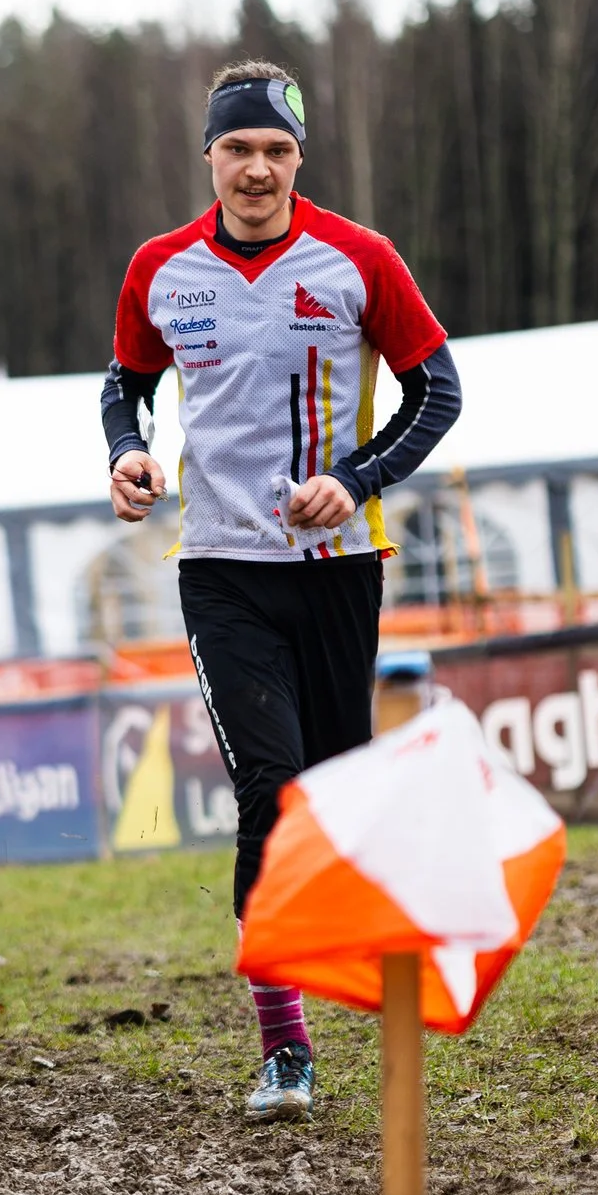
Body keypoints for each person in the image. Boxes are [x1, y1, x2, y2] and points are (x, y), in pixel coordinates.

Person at [101, 60, 460, 1123]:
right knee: (270, 782)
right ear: (208, 155)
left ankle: (359, 954)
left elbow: (437, 388)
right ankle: (284, 1046)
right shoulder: (160, 269)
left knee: (333, 790)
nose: (255, 168)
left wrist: (352, 482)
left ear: (299, 159)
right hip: (221, 571)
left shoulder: (359, 259)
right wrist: (130, 452)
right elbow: (127, 381)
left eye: (276, 150)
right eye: (237, 148)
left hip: (339, 572)